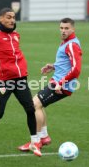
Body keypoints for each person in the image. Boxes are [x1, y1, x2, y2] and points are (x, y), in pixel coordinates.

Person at [0, 8, 41, 157]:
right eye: (8, 17)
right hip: (4, 81)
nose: (12, 20)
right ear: (1, 19)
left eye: (13, 18)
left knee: (30, 109)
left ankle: (34, 142)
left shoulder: (16, 35)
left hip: (20, 79)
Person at [18, 18, 83, 151]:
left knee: (34, 105)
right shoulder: (66, 42)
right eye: (61, 28)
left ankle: (35, 142)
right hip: (58, 82)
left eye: (66, 28)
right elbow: (67, 63)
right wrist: (54, 66)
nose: (63, 31)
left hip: (61, 85)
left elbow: (76, 69)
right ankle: (44, 137)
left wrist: (61, 83)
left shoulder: (72, 44)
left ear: (73, 29)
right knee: (39, 105)